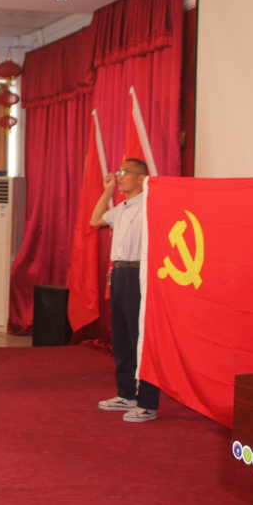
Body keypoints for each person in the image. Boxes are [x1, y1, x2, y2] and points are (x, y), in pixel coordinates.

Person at [89, 157, 160, 423]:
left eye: (126, 172)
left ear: (141, 178)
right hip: (118, 273)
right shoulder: (121, 207)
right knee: (121, 337)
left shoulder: (150, 204)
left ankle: (147, 403)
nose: (119, 176)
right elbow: (94, 220)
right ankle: (126, 394)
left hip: (139, 274)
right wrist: (108, 190)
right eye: (119, 171)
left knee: (139, 338)